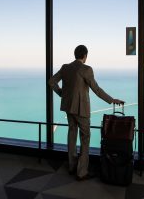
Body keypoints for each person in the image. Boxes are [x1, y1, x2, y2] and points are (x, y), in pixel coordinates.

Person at [48, 45, 124, 181]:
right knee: (85, 138)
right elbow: (97, 89)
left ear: (75, 54)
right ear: (85, 56)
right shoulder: (86, 69)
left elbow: (51, 81)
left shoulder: (65, 67)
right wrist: (112, 100)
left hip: (68, 107)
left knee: (72, 135)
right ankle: (82, 172)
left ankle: (72, 167)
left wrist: (62, 93)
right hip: (81, 110)